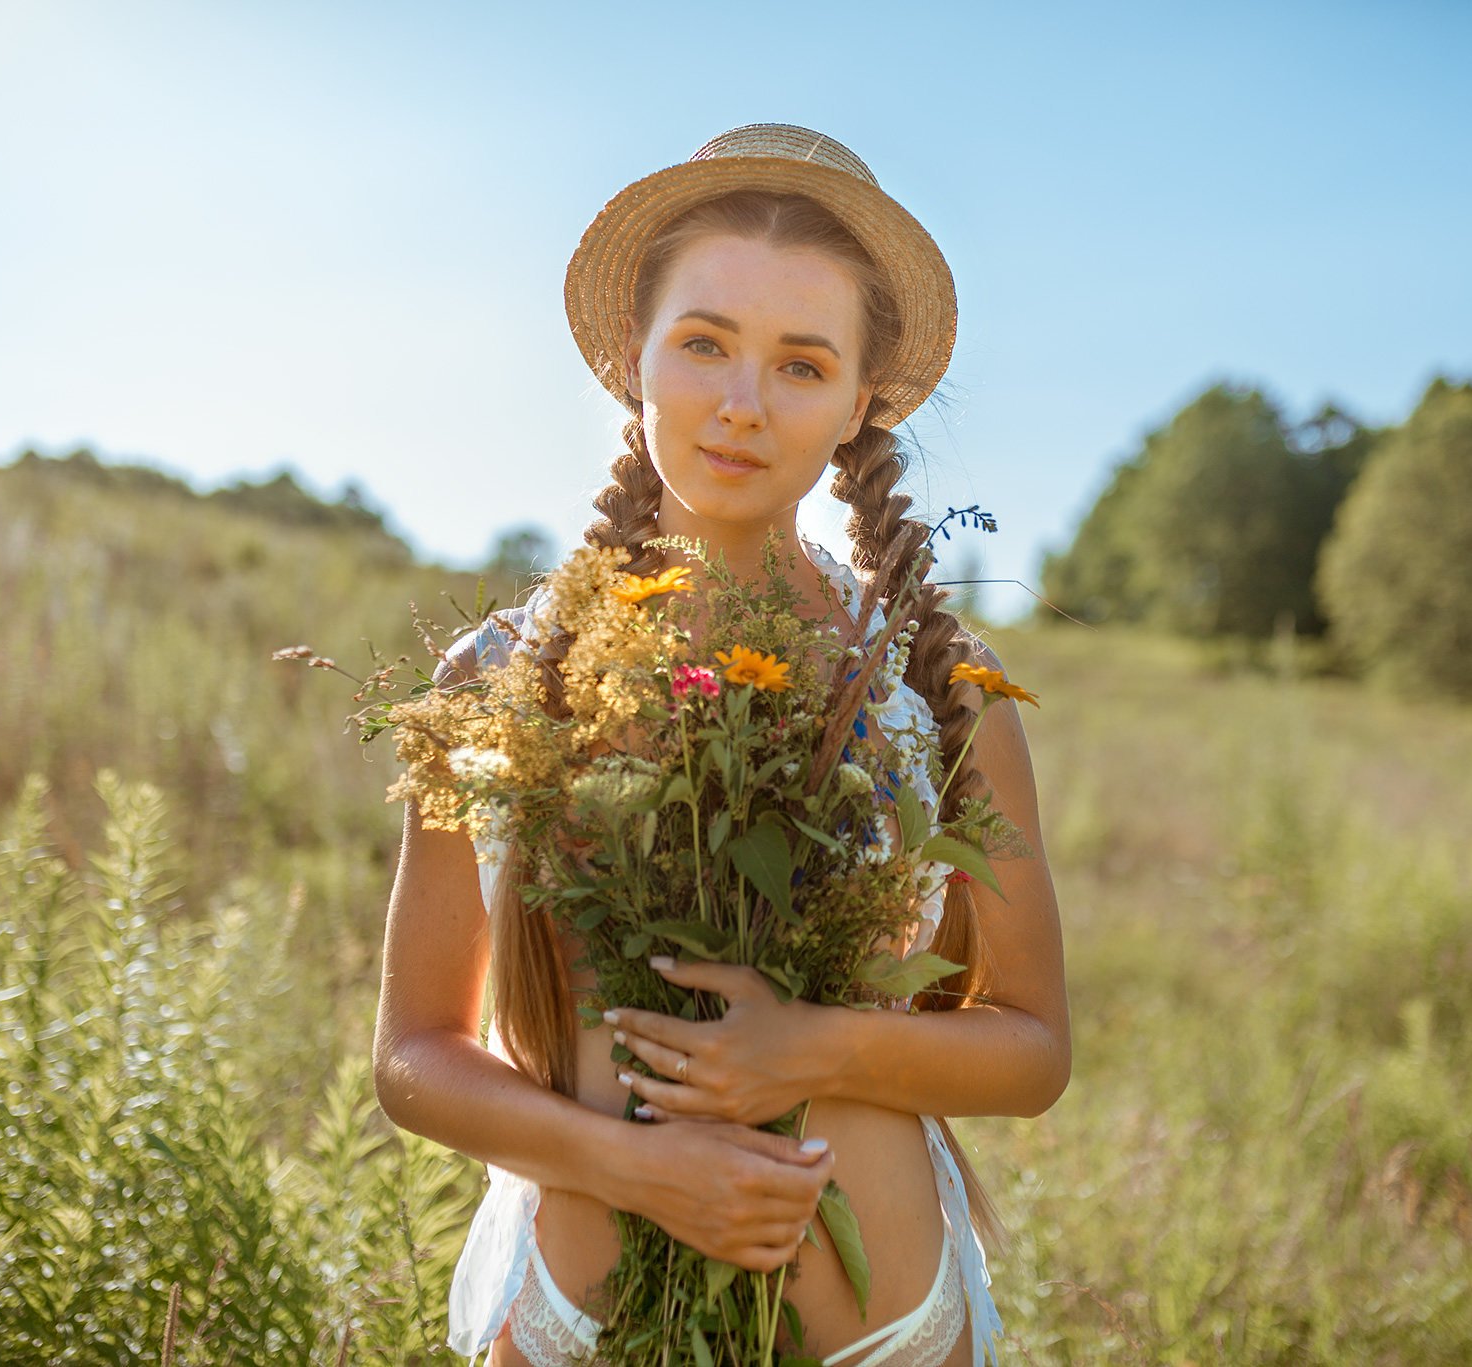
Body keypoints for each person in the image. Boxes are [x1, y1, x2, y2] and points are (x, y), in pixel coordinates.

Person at [373, 124, 1070, 1367]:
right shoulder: (495, 679)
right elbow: (414, 1055)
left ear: (859, 401)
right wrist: (635, 1168)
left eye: (800, 365)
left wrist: (818, 1043)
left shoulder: (934, 690)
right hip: (576, 1320)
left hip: (886, 1327)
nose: (741, 405)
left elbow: (1030, 1048)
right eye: (702, 344)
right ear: (625, 357)